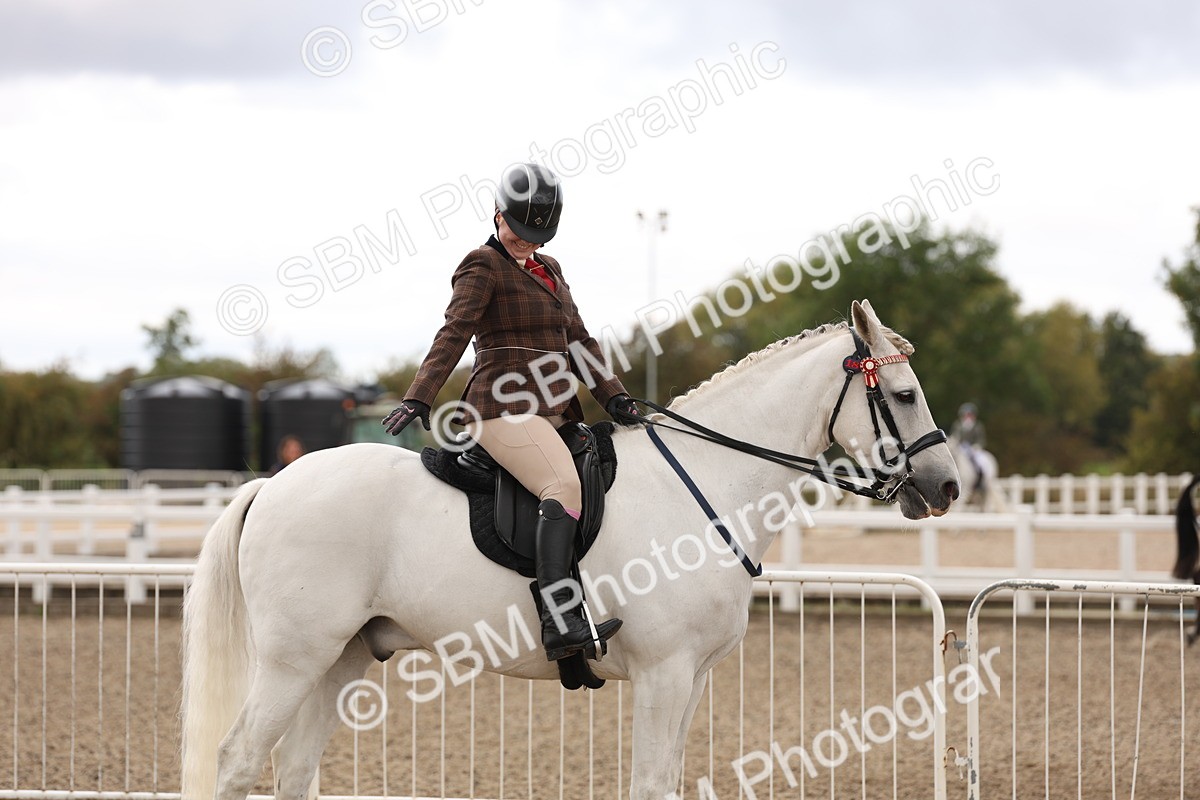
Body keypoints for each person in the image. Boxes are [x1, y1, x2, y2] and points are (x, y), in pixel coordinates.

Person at [382, 163, 640, 662]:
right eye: (519, 232)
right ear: (498, 215)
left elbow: (580, 340)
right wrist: (420, 393)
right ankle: (561, 620)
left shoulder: (553, 270)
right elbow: (454, 332)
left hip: (555, 409)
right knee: (561, 486)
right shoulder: (482, 264)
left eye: (535, 236)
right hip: (501, 407)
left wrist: (614, 396)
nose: (526, 243)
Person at [950, 403, 987, 492]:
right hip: (960, 448)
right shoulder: (958, 425)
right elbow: (954, 436)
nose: (968, 417)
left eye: (970, 415)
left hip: (972, 448)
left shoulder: (978, 426)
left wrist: (977, 446)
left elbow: (981, 439)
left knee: (979, 462)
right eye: (966, 414)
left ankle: (980, 480)